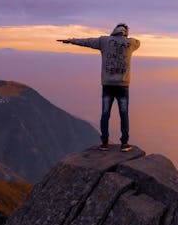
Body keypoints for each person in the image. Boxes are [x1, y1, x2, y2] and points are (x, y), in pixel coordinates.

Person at [58, 23, 140, 152]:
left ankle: (104, 144)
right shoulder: (131, 43)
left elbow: (87, 41)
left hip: (107, 85)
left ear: (113, 31)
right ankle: (124, 144)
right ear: (125, 32)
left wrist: (71, 41)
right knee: (124, 115)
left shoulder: (104, 41)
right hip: (123, 86)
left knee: (105, 114)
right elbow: (138, 42)